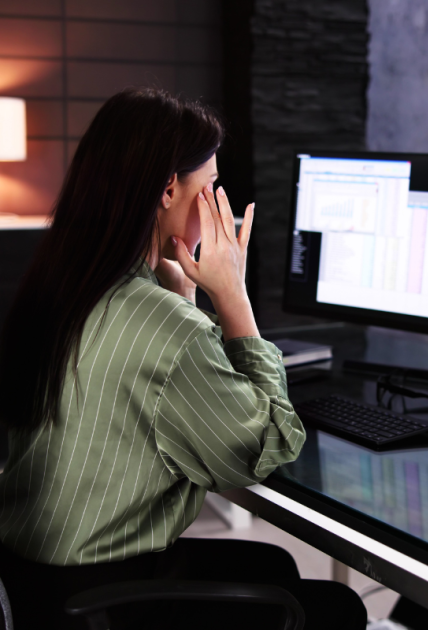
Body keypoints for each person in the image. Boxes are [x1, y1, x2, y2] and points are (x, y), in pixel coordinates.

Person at [0, 88, 367, 629]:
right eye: (211, 187)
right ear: (169, 189)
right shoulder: (164, 325)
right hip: (107, 602)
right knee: (338, 609)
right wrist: (233, 298)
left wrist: (184, 298)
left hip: (34, 582)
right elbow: (265, 446)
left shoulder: (62, 286)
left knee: (276, 564)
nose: (218, 203)